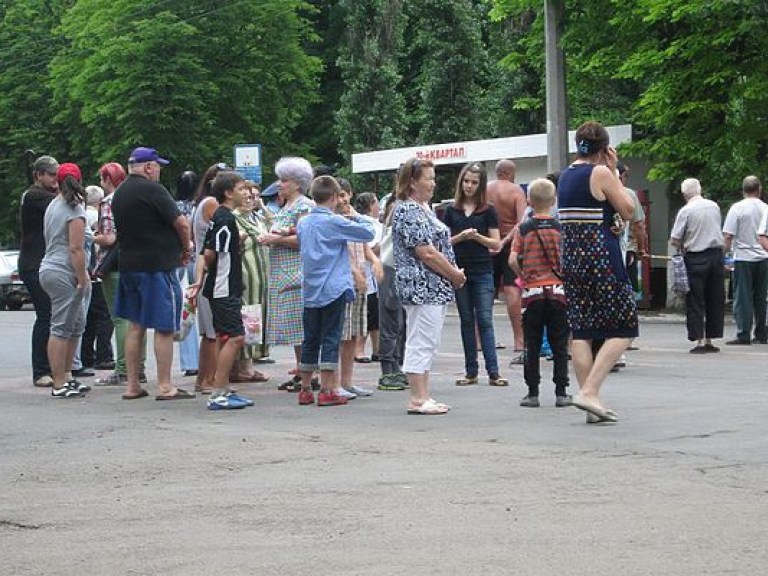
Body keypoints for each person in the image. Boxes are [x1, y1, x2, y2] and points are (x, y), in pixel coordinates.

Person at [557, 121, 637, 424]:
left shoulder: (565, 176)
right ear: (605, 149)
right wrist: (614, 170)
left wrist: (609, 221)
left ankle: (590, 402)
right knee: (624, 325)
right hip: (601, 258)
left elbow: (590, 213)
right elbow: (629, 209)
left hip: (573, 261)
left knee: (583, 329)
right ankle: (590, 391)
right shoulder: (601, 172)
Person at [111, 147, 194, 401]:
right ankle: (166, 386)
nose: (159, 170)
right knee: (164, 326)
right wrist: (185, 247)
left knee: (136, 325)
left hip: (129, 265)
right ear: (148, 167)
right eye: (157, 166)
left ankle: (132, 385)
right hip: (157, 267)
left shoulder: (120, 193)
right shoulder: (153, 190)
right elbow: (181, 222)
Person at [391, 157, 466, 415]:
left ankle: (423, 395)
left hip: (432, 286)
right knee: (421, 340)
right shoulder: (409, 210)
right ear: (412, 182)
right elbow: (426, 252)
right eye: (429, 178)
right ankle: (417, 398)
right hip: (422, 286)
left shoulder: (422, 208)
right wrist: (454, 274)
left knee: (427, 340)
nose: (433, 183)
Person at [295, 175, 375, 407]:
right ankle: (328, 389)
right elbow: (369, 232)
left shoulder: (304, 223)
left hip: (310, 289)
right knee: (331, 337)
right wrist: (352, 217)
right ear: (333, 197)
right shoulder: (334, 222)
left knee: (310, 338)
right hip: (333, 288)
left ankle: (306, 387)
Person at [189, 171, 254, 410]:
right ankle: (217, 392)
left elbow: (205, 250)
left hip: (220, 286)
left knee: (222, 337)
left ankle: (223, 386)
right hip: (224, 287)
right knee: (236, 337)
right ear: (228, 193)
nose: (246, 193)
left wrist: (199, 281)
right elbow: (210, 253)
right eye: (241, 189)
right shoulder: (225, 220)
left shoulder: (219, 216)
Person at [442, 162, 507, 387]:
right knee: (466, 320)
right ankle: (471, 371)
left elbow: (496, 243)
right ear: (461, 183)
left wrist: (477, 237)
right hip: (459, 271)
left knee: (485, 320)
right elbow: (443, 242)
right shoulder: (450, 210)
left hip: (482, 270)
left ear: (480, 185)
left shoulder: (488, 210)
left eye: (474, 182)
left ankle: (494, 371)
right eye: (466, 181)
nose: (469, 186)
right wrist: (461, 237)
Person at [509, 178, 570, 407]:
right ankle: (561, 392)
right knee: (559, 344)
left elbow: (513, 259)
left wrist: (524, 275)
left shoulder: (523, 229)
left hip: (532, 292)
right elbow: (568, 259)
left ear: (529, 201)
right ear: (553, 200)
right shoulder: (559, 228)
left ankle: (533, 392)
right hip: (557, 291)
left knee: (532, 344)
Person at [258, 157, 314, 391]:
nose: (279, 184)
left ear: (298, 183)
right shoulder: (286, 206)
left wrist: (275, 238)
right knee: (294, 328)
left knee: (302, 327)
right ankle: (302, 370)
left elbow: (305, 239)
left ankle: (310, 373)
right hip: (284, 273)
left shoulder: (304, 206)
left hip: (297, 272)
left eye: (284, 180)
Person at [39, 163, 92, 398]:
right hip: (64, 271)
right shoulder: (74, 208)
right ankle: (58, 382)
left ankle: (68, 375)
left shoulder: (54, 204)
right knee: (61, 326)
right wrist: (82, 277)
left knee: (76, 324)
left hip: (51, 268)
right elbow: (76, 247)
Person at [93, 161, 148, 387]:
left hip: (113, 265)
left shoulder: (109, 201)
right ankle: (139, 367)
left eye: (101, 178)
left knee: (120, 318)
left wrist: (93, 236)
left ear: (108, 179)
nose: (100, 182)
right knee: (137, 318)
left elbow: (110, 238)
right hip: (137, 261)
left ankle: (124, 367)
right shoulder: (135, 198)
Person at [335, 180, 381, 399]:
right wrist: (355, 273)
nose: (342, 200)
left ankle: (347, 381)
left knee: (354, 333)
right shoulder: (333, 220)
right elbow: (340, 252)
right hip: (344, 282)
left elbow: (364, 245)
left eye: (345, 195)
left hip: (362, 279)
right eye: (338, 195)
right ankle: (334, 383)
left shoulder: (355, 217)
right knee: (341, 334)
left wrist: (375, 262)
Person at [669, 178, 726, 353]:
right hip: (716, 256)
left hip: (695, 257)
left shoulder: (686, 211)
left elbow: (675, 239)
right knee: (715, 298)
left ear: (684, 193)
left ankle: (699, 340)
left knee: (695, 299)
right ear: (700, 189)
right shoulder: (714, 206)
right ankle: (711, 338)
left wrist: (681, 243)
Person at [19, 155, 59, 387]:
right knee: (46, 314)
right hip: (33, 263)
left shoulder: (46, 196)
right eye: (51, 175)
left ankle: (54, 367)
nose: (55, 180)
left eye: (57, 175)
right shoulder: (34, 196)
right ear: (39, 175)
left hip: (43, 262)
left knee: (52, 315)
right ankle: (41, 370)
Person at [191, 163, 229, 393]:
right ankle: (209, 380)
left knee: (209, 332)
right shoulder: (213, 205)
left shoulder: (202, 202)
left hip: (203, 266)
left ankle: (203, 378)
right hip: (210, 269)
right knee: (213, 331)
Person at [487, 159, 527, 364]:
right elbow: (521, 222)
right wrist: (504, 241)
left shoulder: (486, 189)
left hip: (487, 244)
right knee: (512, 290)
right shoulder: (516, 191)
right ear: (511, 173)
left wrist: (493, 241)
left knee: (486, 290)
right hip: (509, 244)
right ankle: (519, 340)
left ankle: (479, 340)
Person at [231, 180, 271, 381]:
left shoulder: (256, 217)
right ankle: (243, 366)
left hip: (260, 274)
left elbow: (273, 227)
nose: (250, 199)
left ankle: (248, 363)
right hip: (247, 273)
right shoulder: (236, 218)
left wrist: (263, 208)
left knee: (255, 317)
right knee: (248, 316)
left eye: (254, 196)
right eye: (246, 195)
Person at [722, 175, 768, 345]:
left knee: (743, 297)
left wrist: (722, 256)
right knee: (761, 297)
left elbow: (728, 236)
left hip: (743, 257)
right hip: (764, 257)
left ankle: (743, 333)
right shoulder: (765, 208)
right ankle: (762, 333)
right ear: (759, 189)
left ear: (743, 190)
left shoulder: (737, 208)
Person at [376, 192, 408, 391]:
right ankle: (388, 369)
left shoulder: (403, 206)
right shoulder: (399, 207)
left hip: (400, 270)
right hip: (391, 268)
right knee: (390, 321)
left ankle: (395, 366)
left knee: (400, 323)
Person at [80, 184, 114, 371]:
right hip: (98, 271)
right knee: (104, 317)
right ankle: (104, 355)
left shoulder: (81, 213)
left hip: (88, 271)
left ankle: (86, 355)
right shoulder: (96, 216)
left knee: (90, 318)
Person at [174, 170, 200, 377]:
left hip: (181, 262)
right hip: (199, 261)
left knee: (186, 310)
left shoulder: (173, 208)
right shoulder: (201, 207)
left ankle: (190, 361)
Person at [353, 192, 383, 363]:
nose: (379, 207)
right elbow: (371, 248)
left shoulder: (376, 223)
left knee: (374, 314)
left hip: (374, 276)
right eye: (376, 203)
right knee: (368, 313)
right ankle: (359, 350)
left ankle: (377, 349)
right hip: (368, 273)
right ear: (371, 205)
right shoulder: (368, 224)